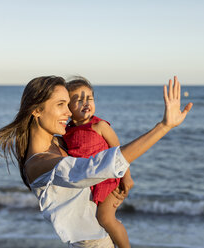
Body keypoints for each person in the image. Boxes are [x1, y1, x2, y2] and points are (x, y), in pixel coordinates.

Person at [0, 75, 192, 247]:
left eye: (69, 104)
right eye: (61, 104)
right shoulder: (39, 163)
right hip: (91, 244)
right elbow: (96, 166)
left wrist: (118, 185)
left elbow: (95, 154)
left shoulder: (59, 143)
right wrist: (163, 127)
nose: (69, 112)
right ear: (37, 110)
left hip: (100, 237)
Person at [63, 76, 134, 248]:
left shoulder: (100, 126)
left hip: (108, 182)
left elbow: (120, 153)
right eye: (79, 100)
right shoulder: (66, 132)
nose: (86, 103)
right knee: (91, 221)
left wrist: (127, 177)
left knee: (105, 218)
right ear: (67, 107)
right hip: (88, 184)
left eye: (89, 98)